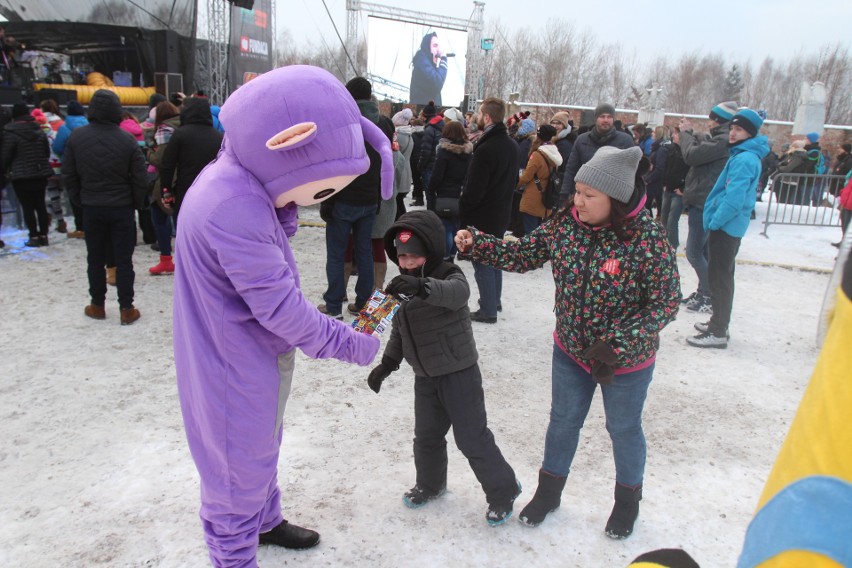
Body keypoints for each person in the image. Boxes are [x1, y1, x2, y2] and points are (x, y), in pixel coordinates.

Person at [173, 65, 393, 567]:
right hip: (233, 364)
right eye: (319, 191)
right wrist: (351, 341)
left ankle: (266, 520)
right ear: (289, 144)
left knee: (261, 444)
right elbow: (279, 308)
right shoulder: (234, 204)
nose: (317, 201)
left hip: (250, 355)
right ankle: (235, 556)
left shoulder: (242, 183)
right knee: (236, 467)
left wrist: (280, 210)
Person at [455, 145, 680, 538]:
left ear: (617, 199)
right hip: (571, 350)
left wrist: (620, 342)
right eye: (577, 191)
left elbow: (666, 301)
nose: (579, 201)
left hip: (625, 362)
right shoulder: (566, 223)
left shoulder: (645, 236)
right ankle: (548, 493)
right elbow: (526, 254)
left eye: (590, 196)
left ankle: (627, 503)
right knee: (562, 423)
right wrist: (478, 243)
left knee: (623, 429)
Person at [368, 209, 520, 525]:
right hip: (425, 376)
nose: (406, 263)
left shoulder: (449, 273)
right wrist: (387, 363)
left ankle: (504, 490)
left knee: (471, 437)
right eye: (402, 257)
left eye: (413, 257)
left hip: (458, 373)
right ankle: (430, 483)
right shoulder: (400, 285)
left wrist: (422, 287)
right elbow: (399, 326)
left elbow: (458, 294)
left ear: (429, 252)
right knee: (426, 436)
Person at [62, 89, 148, 324]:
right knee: (124, 260)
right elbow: (140, 177)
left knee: (95, 259)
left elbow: (68, 174)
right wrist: (136, 203)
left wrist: (79, 199)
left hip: (91, 206)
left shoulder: (77, 137)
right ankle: (126, 308)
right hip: (122, 207)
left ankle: (97, 305)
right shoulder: (127, 139)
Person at [688, 109, 768, 348]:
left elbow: (734, 199)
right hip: (727, 225)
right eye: (732, 128)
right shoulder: (743, 154)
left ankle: (718, 330)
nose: (732, 133)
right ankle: (717, 322)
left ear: (750, 133)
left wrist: (715, 221)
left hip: (726, 227)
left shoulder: (744, 159)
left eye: (739, 129)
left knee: (720, 279)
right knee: (721, 276)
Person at [319, 76, 394, 318]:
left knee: (337, 253)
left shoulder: (343, 122)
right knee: (365, 252)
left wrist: (326, 202)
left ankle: (333, 306)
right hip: (370, 199)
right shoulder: (384, 124)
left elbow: (331, 166)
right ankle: (363, 303)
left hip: (343, 198)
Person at [458, 96, 519, 324]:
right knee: (495, 258)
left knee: (483, 259)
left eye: (479, 113)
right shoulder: (510, 145)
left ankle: (488, 309)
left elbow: (474, 190)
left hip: (483, 214)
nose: (475, 118)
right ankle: (495, 301)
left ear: (487, 117)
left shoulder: (487, 148)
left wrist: (464, 211)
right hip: (501, 211)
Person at [677, 101, 736, 314]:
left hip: (703, 202)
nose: (709, 122)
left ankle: (709, 294)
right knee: (702, 250)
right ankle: (704, 291)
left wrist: (686, 134)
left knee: (693, 252)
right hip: (703, 201)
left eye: (712, 119)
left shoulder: (723, 141)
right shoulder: (721, 140)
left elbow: (692, 155)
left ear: (718, 120)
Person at [1, 102, 53, 247]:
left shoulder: (10, 132)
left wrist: (4, 170)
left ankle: (34, 236)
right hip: (40, 172)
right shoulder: (39, 129)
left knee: (27, 206)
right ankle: (44, 235)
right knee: (40, 205)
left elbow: (5, 156)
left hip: (21, 175)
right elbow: (46, 152)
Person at [559, 103, 634, 201]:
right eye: (602, 116)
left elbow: (631, 172)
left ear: (613, 119)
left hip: (612, 198)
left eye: (609, 117)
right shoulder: (582, 140)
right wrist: (565, 193)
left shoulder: (625, 140)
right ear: (596, 119)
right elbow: (571, 169)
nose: (606, 120)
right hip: (585, 196)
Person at [426, 120, 472, 261]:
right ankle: (453, 253)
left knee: (445, 227)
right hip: (461, 194)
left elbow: (437, 175)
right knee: (456, 227)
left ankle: (445, 256)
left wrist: (431, 188)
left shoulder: (444, 152)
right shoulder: (469, 153)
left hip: (445, 194)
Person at [145, 101, 181, 272]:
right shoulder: (183, 125)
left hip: (167, 180)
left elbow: (160, 158)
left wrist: (149, 152)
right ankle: (185, 259)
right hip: (183, 177)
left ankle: (166, 259)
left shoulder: (164, 129)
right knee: (181, 221)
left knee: (160, 217)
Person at [52, 100, 89, 238]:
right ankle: (90, 224)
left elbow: (57, 147)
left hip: (71, 167)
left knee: (74, 196)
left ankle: (80, 227)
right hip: (88, 167)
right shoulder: (89, 125)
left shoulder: (64, 128)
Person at [516, 124, 562, 232]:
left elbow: (527, 176)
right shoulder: (554, 153)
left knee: (530, 231)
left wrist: (517, 185)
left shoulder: (537, 155)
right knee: (538, 230)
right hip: (545, 195)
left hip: (534, 197)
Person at [660, 127, 689, 250]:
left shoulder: (687, 152)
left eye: (676, 134)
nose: (673, 136)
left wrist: (683, 188)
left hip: (678, 192)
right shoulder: (671, 149)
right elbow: (666, 167)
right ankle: (665, 244)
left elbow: (691, 173)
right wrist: (664, 183)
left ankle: (672, 246)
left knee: (672, 221)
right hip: (668, 189)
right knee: (664, 219)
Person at [409, 32, 448, 106]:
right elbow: (437, 83)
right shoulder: (421, 61)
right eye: (435, 46)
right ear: (427, 47)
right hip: (423, 111)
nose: (438, 50)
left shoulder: (428, 65)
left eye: (438, 47)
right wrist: (443, 59)